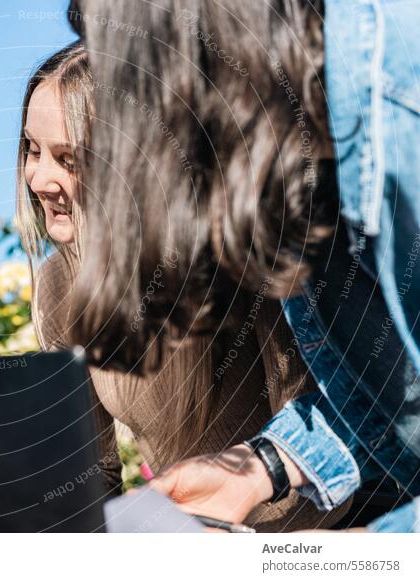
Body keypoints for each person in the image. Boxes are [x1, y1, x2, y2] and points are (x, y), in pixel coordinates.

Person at [67, 0, 420, 531]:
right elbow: (401, 397)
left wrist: (296, 561)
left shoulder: (395, 103)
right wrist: (263, 467)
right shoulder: (296, 130)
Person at [16, 42, 348, 529]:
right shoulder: (59, 287)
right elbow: (93, 475)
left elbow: (324, 424)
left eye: (69, 159)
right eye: (32, 149)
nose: (40, 178)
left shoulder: (238, 259)